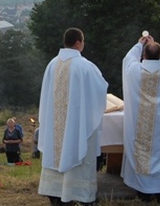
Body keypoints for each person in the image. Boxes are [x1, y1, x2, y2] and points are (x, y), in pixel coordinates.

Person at [37, 27, 108, 206]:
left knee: (57, 153)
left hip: (55, 127)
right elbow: (100, 91)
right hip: (77, 126)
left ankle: (56, 195)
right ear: (78, 43)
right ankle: (81, 196)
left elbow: (45, 97)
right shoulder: (85, 66)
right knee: (78, 154)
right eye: (83, 42)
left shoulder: (52, 64)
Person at [121, 35, 160, 203]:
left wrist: (140, 44)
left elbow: (128, 58)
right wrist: (155, 46)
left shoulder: (134, 70)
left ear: (143, 56)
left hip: (140, 125)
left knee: (142, 154)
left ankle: (143, 192)